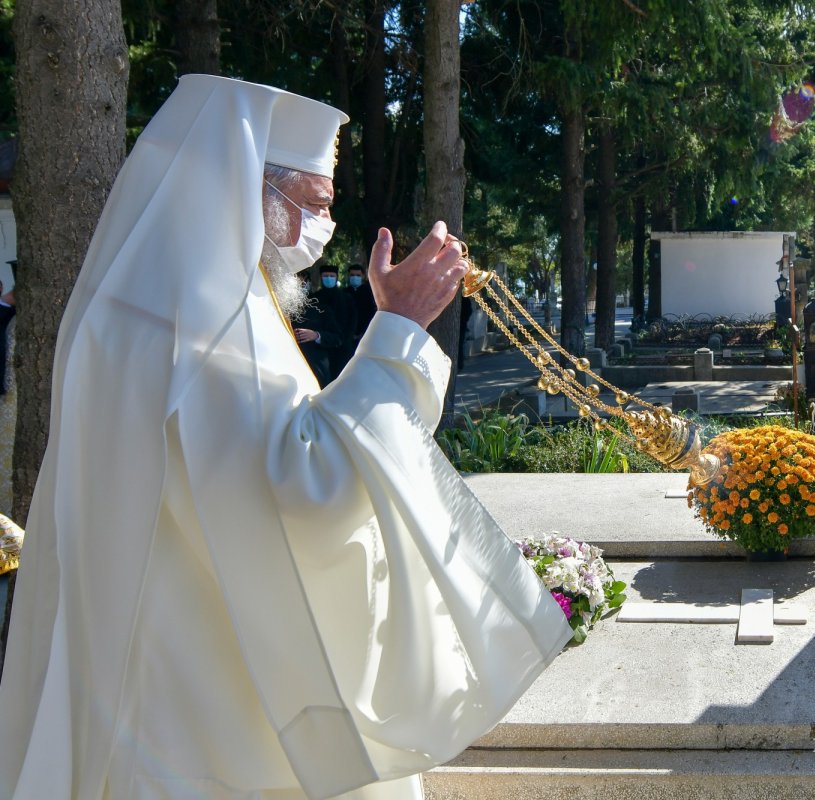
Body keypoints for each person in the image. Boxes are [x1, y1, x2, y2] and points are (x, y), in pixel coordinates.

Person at [0, 75, 570, 799]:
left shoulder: (138, 298)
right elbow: (304, 489)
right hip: (210, 711)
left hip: (149, 677)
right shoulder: (206, 319)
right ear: (245, 185)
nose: (320, 226)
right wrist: (397, 333)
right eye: (312, 202)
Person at [310, 264, 357, 379]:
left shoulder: (347, 298)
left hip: (343, 345)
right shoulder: (315, 298)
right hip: (321, 346)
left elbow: (353, 320)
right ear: (321, 277)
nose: (329, 278)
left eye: (331, 276)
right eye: (326, 276)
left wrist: (346, 339)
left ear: (336, 277)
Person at [346, 262, 377, 345]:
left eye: (358, 275)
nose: (355, 277)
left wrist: (363, 332)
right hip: (347, 335)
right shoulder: (344, 293)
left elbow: (372, 313)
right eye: (352, 275)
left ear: (363, 276)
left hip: (365, 333)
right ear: (348, 276)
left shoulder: (370, 293)